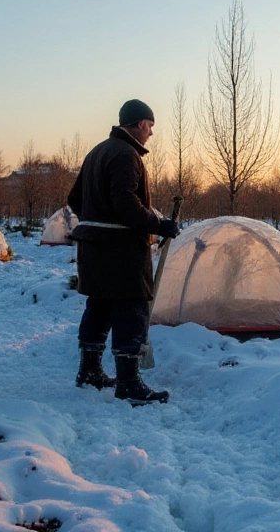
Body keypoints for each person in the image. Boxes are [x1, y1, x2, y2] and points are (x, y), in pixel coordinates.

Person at [67, 99, 179, 404]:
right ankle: (128, 382)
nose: (151, 133)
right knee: (131, 309)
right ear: (140, 123)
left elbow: (75, 199)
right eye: (150, 126)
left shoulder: (97, 152)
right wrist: (158, 224)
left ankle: (89, 370)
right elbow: (125, 203)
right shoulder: (126, 155)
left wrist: (95, 221)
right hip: (121, 252)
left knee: (100, 307)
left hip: (94, 250)